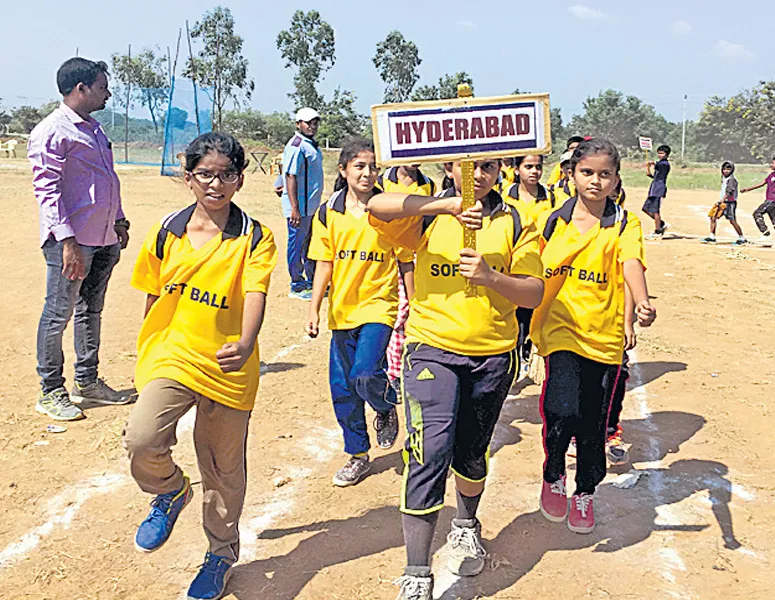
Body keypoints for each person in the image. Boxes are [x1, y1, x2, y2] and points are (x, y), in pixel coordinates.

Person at [368, 158, 544, 600]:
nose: (476, 176)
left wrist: (491, 277)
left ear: (501, 167)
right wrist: (441, 206)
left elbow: (534, 290)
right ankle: (416, 575)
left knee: (471, 451)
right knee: (428, 452)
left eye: (486, 166)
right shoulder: (427, 218)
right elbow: (377, 206)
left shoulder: (515, 219)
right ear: (449, 166)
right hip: (431, 348)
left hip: (492, 355)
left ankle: (466, 525)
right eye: (467, 167)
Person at [124, 132, 277, 600]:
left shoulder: (255, 237)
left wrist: (247, 342)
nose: (216, 183)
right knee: (142, 438)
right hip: (174, 354)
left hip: (228, 365)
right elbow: (153, 294)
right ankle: (169, 490)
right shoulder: (166, 232)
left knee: (223, 469)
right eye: (206, 174)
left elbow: (256, 293)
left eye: (226, 174)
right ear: (188, 177)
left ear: (240, 180)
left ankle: (220, 555)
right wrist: (152, 345)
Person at [531, 138, 656, 534]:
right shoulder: (552, 221)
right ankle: (553, 474)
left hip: (603, 338)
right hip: (560, 330)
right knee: (561, 408)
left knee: (592, 423)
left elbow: (631, 261)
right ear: (571, 176)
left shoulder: (624, 222)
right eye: (587, 173)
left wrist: (641, 302)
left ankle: (584, 491)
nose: (596, 181)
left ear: (617, 180)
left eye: (605, 174)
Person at [27, 57, 132, 421]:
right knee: (58, 314)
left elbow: (108, 180)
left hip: (103, 238)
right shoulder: (52, 131)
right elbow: (48, 192)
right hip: (71, 243)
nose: (108, 92)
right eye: (103, 86)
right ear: (81, 89)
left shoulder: (95, 129)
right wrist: (68, 242)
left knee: (92, 310)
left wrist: (118, 219)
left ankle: (87, 382)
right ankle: (50, 389)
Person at [306, 138, 408, 487]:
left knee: (366, 373)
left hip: (379, 305)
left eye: (373, 166)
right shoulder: (328, 211)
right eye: (360, 166)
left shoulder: (389, 208)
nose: (367, 173)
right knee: (343, 387)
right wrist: (314, 308)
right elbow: (324, 262)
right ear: (344, 170)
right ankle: (357, 455)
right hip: (342, 310)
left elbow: (405, 256)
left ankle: (384, 405)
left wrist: (416, 300)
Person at [376, 165, 433, 393]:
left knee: (408, 312)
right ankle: (389, 372)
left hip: (413, 257)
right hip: (386, 258)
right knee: (394, 314)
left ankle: (401, 371)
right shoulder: (382, 181)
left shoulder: (427, 184)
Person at [503, 154, 554, 375]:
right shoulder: (505, 195)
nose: (534, 171)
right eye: (528, 167)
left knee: (533, 314)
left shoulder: (552, 197)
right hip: (513, 264)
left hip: (541, 265)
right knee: (514, 315)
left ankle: (527, 355)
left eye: (538, 167)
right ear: (517, 169)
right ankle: (512, 360)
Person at [282, 107, 324, 300]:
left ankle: (311, 280)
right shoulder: (297, 145)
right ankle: (297, 285)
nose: (312, 126)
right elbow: (290, 175)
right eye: (308, 123)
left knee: (309, 244)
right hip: (300, 209)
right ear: (298, 124)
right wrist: (295, 209)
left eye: (315, 123)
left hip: (311, 207)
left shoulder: (311, 144)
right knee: (296, 245)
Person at [702, 161, 746, 245]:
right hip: (723, 202)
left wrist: (722, 200)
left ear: (732, 170)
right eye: (724, 169)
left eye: (728, 169)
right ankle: (712, 236)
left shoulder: (732, 179)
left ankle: (741, 237)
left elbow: (729, 191)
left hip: (730, 203)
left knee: (732, 220)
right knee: (713, 217)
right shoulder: (724, 178)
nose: (726, 171)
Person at [741, 156, 775, 243]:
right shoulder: (771, 175)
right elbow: (761, 184)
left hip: (772, 200)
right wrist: (748, 189)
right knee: (774, 220)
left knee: (757, 213)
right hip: (769, 201)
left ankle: (766, 234)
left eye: (773, 163)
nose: (771, 165)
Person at [643, 144, 671, 238]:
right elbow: (656, 177)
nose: (660, 155)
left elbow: (658, 164)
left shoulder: (665, 164)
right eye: (659, 153)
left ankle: (657, 231)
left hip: (659, 189)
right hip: (653, 189)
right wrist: (649, 172)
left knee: (655, 211)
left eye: (662, 153)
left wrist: (651, 163)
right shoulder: (660, 164)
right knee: (645, 208)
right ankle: (661, 224)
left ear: (667, 155)